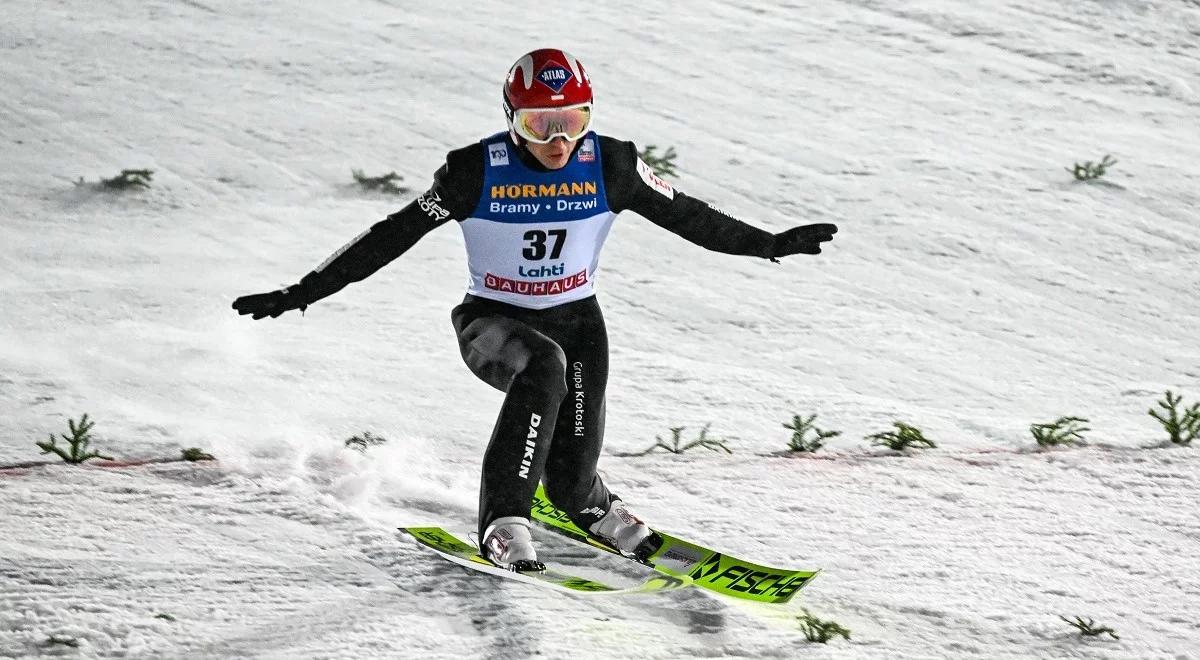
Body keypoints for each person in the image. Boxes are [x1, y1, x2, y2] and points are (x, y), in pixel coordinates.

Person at [233, 48, 837, 573]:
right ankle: (502, 523)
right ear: (511, 120)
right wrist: (303, 291)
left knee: (571, 473)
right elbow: (391, 235)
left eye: (572, 121)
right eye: (539, 123)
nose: (557, 140)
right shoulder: (474, 172)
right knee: (542, 365)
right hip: (492, 323)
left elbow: (690, 216)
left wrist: (769, 243)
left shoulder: (611, 165)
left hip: (579, 322)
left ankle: (589, 505)